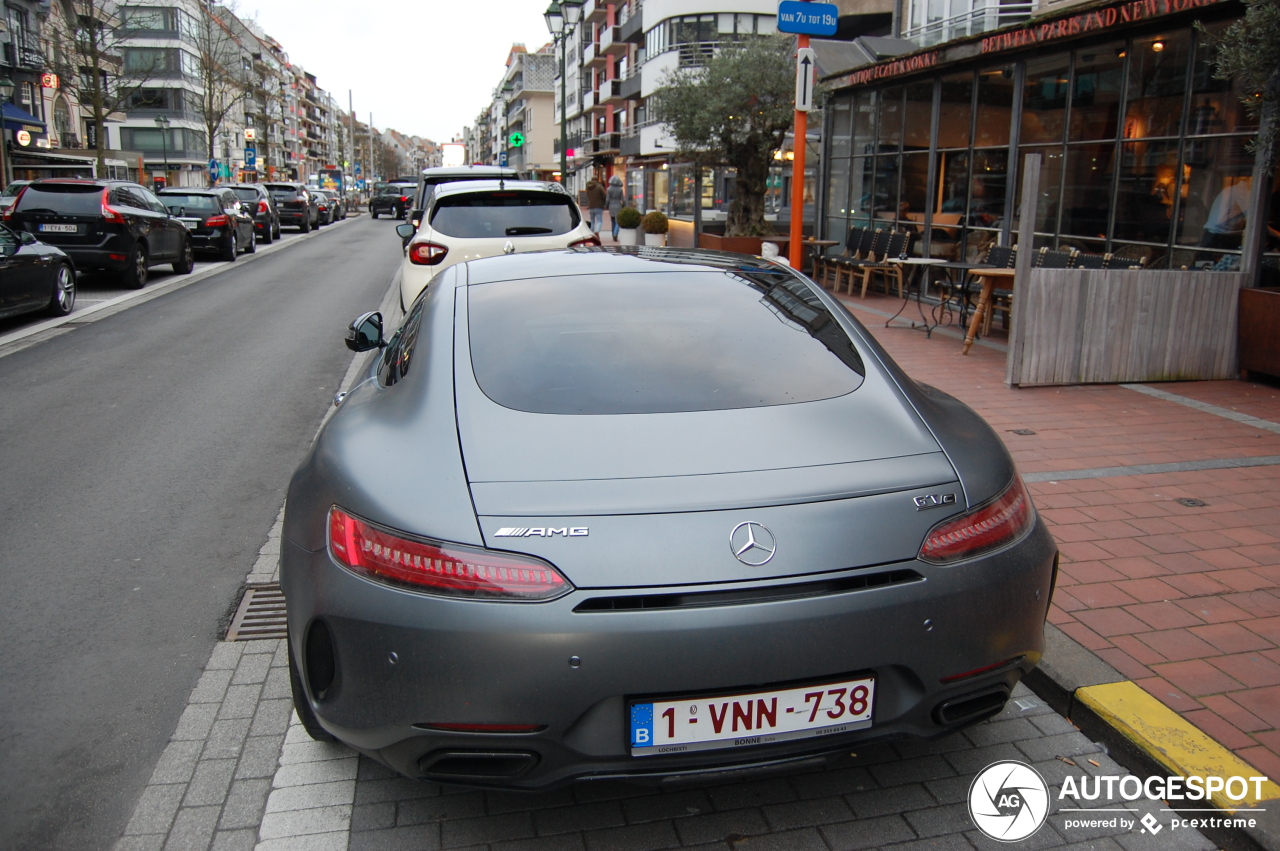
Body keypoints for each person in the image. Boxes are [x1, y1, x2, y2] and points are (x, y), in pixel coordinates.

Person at [606, 175, 625, 240]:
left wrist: (606, 205)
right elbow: (623, 199)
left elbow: (607, 199)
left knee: (613, 221)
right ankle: (615, 233)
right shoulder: (620, 189)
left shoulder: (608, 189)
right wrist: (624, 205)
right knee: (618, 221)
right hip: (618, 206)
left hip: (611, 206)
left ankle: (613, 233)